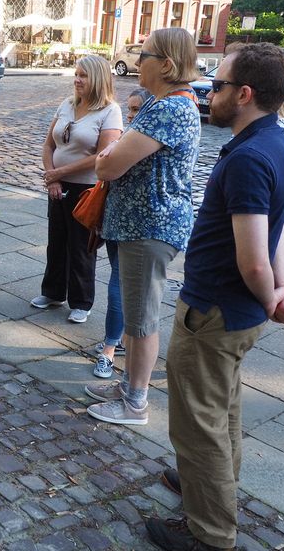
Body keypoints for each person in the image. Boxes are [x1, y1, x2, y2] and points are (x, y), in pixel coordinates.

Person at [145, 43, 284, 551]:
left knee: (198, 425)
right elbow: (280, 231)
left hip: (214, 311)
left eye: (220, 84)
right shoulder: (277, 142)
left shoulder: (250, 157)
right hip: (235, 310)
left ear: (246, 94)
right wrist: (280, 288)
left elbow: (255, 255)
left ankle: (210, 534)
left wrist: (273, 293)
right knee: (222, 410)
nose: (211, 92)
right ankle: (207, 487)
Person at [86, 27, 201, 426]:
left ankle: (135, 401)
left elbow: (110, 163)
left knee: (142, 319)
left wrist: (107, 157)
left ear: (166, 64)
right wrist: (110, 154)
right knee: (135, 314)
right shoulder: (160, 103)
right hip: (136, 224)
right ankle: (127, 386)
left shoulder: (171, 108)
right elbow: (114, 154)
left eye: (145, 55)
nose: (137, 62)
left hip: (149, 226)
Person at [30, 55, 123, 323]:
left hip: (87, 188)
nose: (77, 79)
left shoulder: (109, 111)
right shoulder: (67, 105)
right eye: (76, 73)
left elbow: (103, 156)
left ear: (97, 78)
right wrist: (53, 177)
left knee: (82, 247)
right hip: (58, 184)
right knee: (56, 241)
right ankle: (53, 292)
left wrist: (59, 172)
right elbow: (49, 145)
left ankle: (82, 301)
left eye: (83, 75)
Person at [93, 87, 150, 379]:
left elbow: (106, 166)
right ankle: (116, 344)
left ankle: (114, 346)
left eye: (136, 109)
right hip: (118, 221)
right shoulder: (131, 137)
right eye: (129, 109)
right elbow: (103, 167)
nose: (130, 115)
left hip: (136, 225)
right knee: (120, 283)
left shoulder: (143, 138)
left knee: (125, 286)